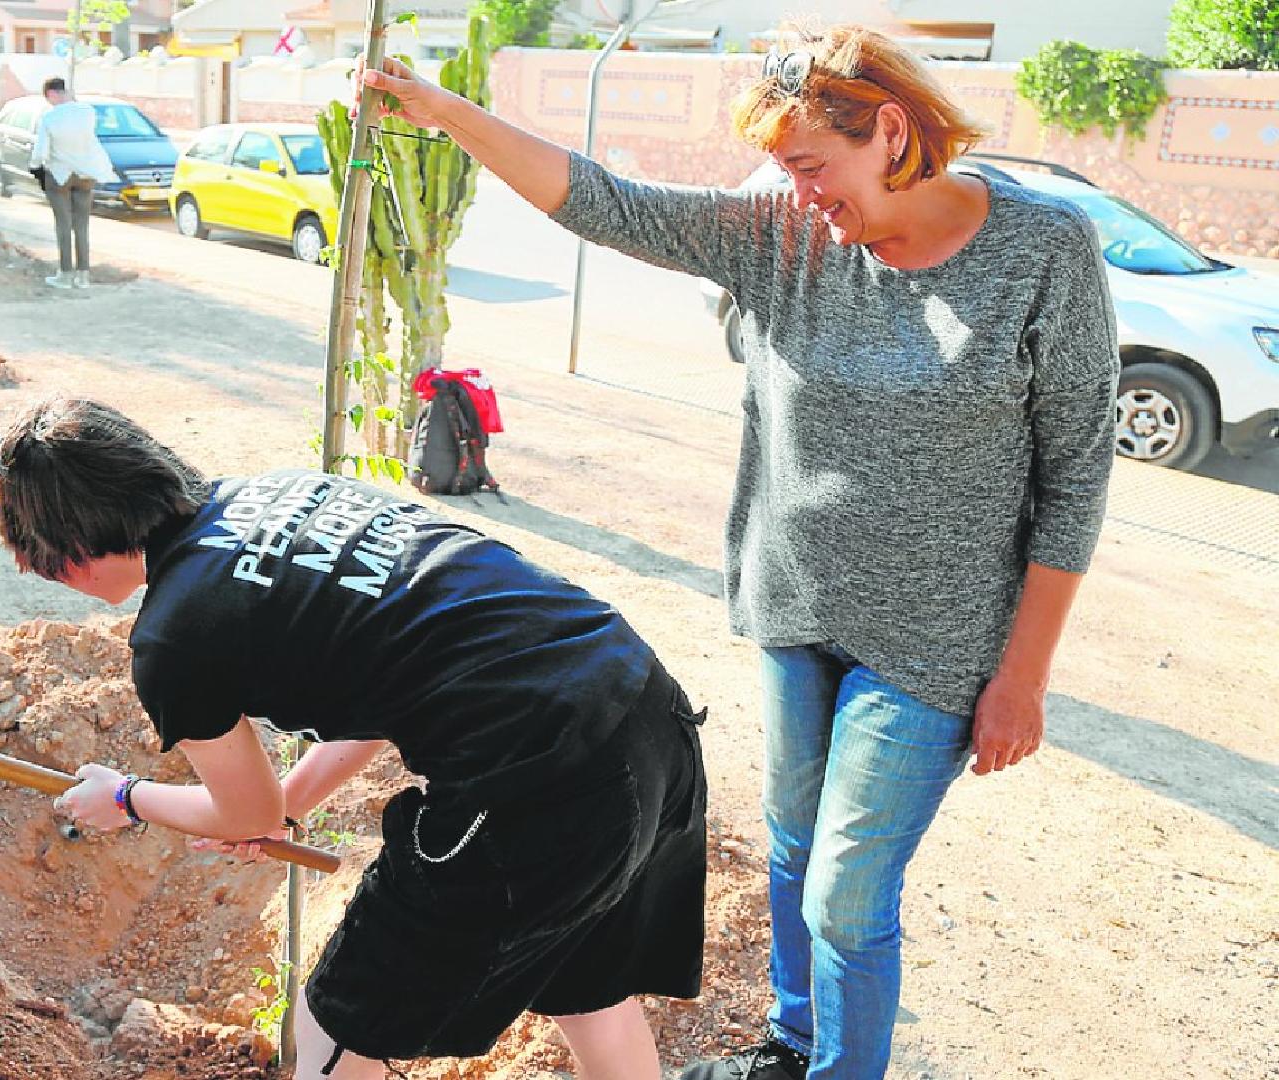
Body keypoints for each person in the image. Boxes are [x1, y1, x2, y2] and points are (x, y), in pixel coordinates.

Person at [361, 23, 1119, 1080]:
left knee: (848, 895)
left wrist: (1023, 678)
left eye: (814, 166)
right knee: (795, 850)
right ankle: (794, 1044)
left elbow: (1077, 475)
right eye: (786, 170)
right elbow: (606, 201)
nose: (798, 191)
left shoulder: (1045, 251)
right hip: (795, 609)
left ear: (890, 131)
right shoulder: (779, 233)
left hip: (935, 646)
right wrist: (445, 112)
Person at [0, 397, 711, 1080]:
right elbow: (388, 679)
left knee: (334, 1028)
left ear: (71, 550)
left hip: (542, 779)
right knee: (588, 987)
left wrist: (127, 796)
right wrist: (290, 798)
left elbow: (247, 816)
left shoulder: (174, 635)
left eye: (44, 563)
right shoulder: (282, 494)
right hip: (644, 709)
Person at [29, 77, 115, 290]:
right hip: (86, 174)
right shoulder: (87, 111)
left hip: (60, 174)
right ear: (66, 91)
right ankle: (83, 275)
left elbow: (40, 152)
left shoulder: (48, 117)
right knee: (82, 225)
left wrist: (35, 167)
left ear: (50, 94)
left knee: (63, 224)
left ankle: (65, 274)